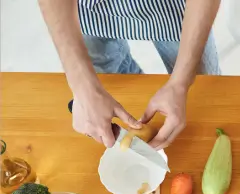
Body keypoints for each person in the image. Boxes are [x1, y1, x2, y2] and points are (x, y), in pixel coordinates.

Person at [38, 0, 221, 149]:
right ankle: (141, 120)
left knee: (205, 90)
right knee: (115, 84)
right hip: (87, 11)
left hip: (176, 7)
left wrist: (180, 82)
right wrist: (82, 87)